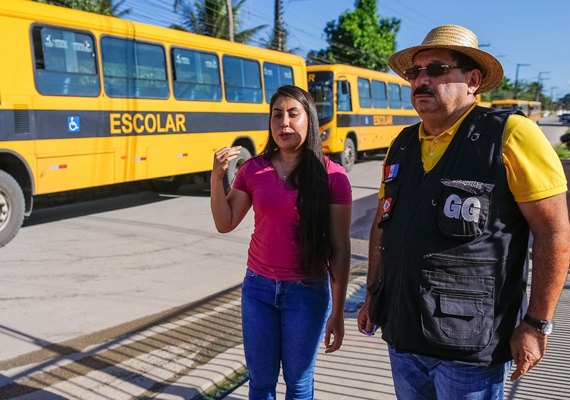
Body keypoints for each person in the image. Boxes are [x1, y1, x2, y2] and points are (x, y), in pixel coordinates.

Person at [357, 24, 570, 399]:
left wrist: (537, 324)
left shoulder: (510, 134)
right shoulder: (403, 143)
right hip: (403, 336)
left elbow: (553, 231)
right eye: (415, 73)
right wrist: (373, 292)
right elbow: (381, 223)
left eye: (436, 70)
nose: (421, 80)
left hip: (470, 349)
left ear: (473, 80)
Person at [211, 85, 352, 400]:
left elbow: (341, 248)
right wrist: (216, 178)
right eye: (277, 115)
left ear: (309, 120)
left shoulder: (333, 176)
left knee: (299, 384)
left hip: (308, 293)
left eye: (293, 114)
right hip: (258, 291)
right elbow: (225, 222)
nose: (284, 123)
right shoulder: (253, 169)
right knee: (260, 384)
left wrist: (338, 312)